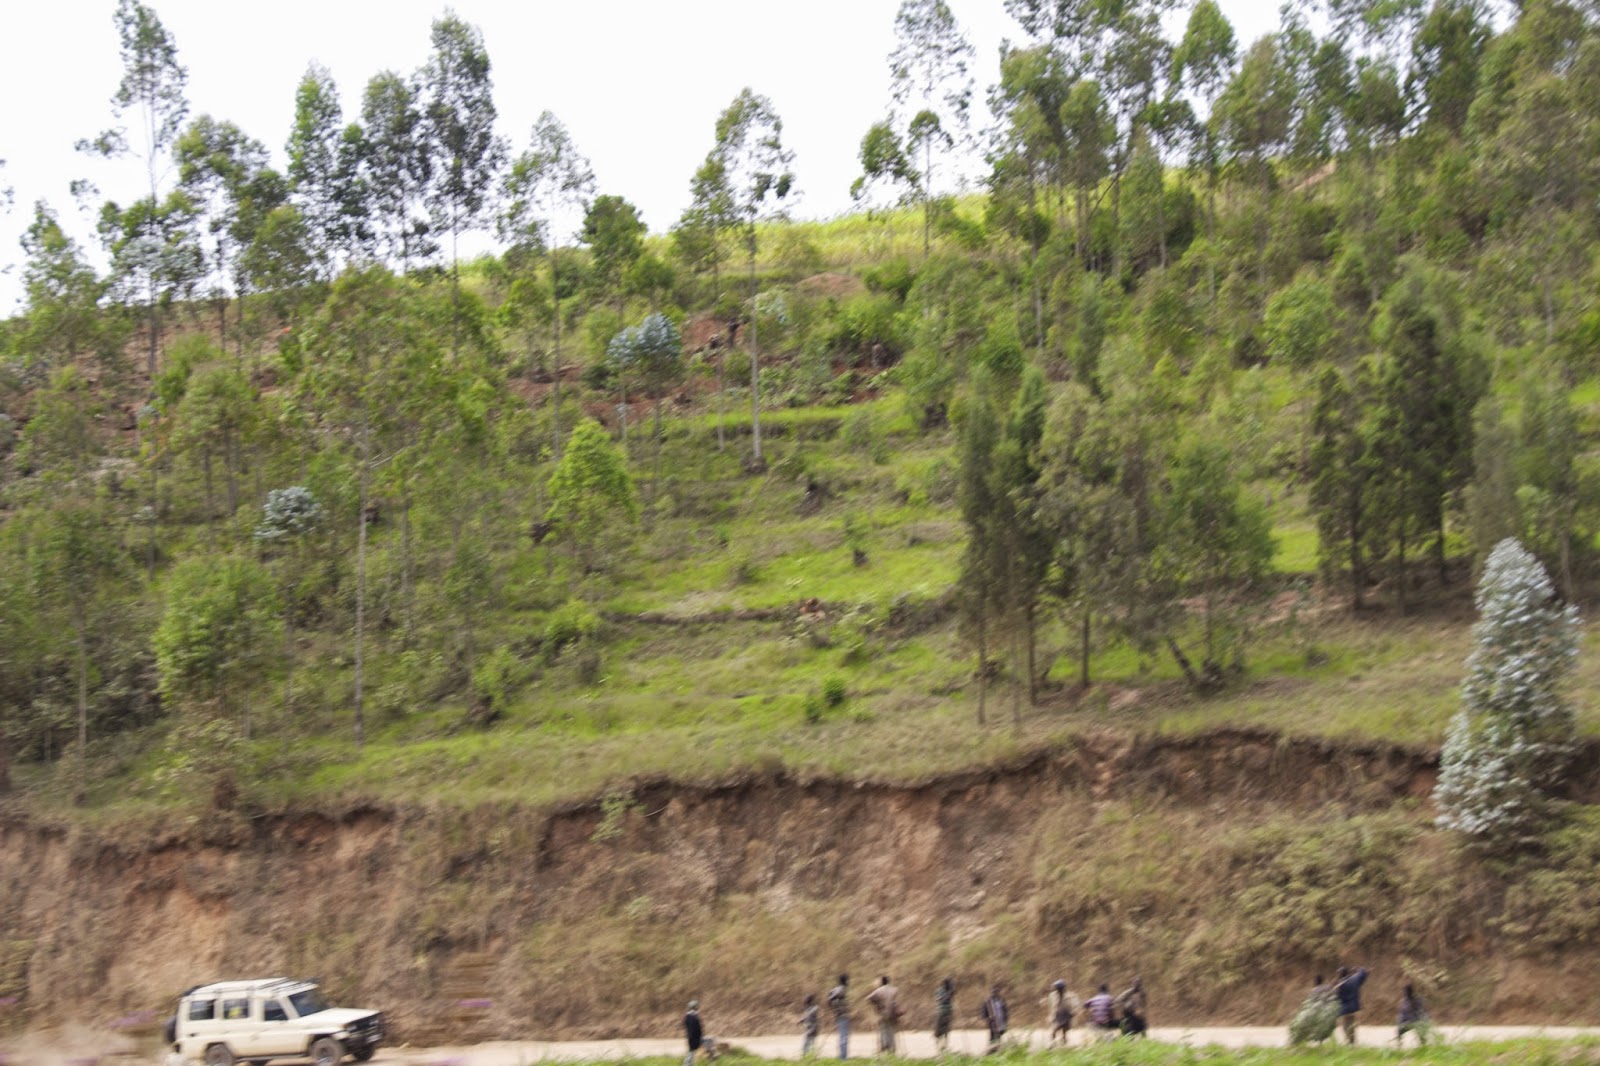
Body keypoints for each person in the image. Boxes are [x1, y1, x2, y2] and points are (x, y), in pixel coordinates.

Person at [1289, 974, 1340, 1046]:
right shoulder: (1328, 987)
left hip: (1317, 1012)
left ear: (1315, 982)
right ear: (1323, 981)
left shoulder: (1314, 991)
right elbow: (1334, 996)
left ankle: (1310, 1040)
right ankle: (1322, 1042)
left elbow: (1310, 1003)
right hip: (1327, 1011)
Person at [865, 975, 900, 1055]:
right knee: (891, 1031)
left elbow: (868, 998)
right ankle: (892, 1049)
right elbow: (895, 1001)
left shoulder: (878, 991)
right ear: (888, 981)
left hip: (882, 1013)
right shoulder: (894, 989)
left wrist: (876, 1004)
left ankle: (885, 1047)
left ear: (882, 982)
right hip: (893, 1014)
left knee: (883, 1030)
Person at [1334, 965, 1368, 1046]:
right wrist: (1357, 969)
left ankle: (1350, 1042)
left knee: (1346, 1026)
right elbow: (1363, 972)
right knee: (1352, 1024)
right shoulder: (1354, 980)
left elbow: (1336, 998)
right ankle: (1352, 1041)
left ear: (1341, 975)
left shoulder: (1340, 985)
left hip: (1345, 1009)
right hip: (1354, 1007)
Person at [828, 973, 851, 1060]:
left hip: (838, 1015)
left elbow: (829, 995)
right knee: (844, 1036)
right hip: (843, 1015)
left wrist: (833, 1009)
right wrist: (832, 1002)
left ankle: (842, 1055)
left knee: (842, 1036)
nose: (849, 982)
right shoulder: (841, 989)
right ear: (844, 981)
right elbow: (830, 998)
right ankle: (843, 1058)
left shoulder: (835, 989)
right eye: (847, 980)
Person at [980, 984, 1008, 1054]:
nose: (995, 993)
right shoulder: (988, 1001)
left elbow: (1005, 1010)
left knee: (1000, 1034)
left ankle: (998, 1049)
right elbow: (984, 1011)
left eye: (996, 992)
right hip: (992, 1022)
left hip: (1001, 1021)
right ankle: (991, 1050)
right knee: (992, 1035)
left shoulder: (1001, 1000)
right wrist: (987, 1019)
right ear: (991, 992)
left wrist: (1006, 1019)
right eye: (993, 992)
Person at [1046, 980, 1073, 1047]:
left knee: (1064, 1033)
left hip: (1065, 1016)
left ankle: (1063, 1046)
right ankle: (1052, 1044)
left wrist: (1071, 1014)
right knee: (1054, 1030)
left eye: (1057, 988)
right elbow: (1052, 1005)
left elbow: (1072, 1006)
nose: (1056, 990)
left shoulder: (1068, 996)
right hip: (1057, 1016)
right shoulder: (1053, 995)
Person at [932, 978, 955, 1053]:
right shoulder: (940, 991)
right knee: (938, 1030)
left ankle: (945, 1046)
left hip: (948, 1012)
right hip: (941, 1012)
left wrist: (952, 993)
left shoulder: (950, 990)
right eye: (949, 984)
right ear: (945, 984)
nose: (950, 985)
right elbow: (942, 1001)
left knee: (946, 1030)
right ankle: (938, 1046)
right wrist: (949, 993)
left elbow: (951, 1000)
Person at [683, 1000, 704, 1066]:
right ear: (695, 1007)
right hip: (694, 1037)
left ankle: (689, 1064)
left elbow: (685, 1025)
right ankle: (686, 1064)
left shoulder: (687, 1016)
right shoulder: (693, 1016)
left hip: (691, 1037)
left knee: (691, 1052)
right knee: (691, 1052)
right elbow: (695, 1028)